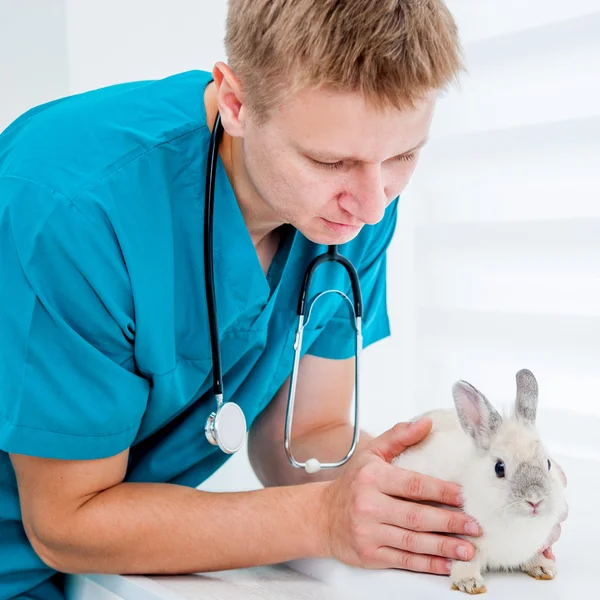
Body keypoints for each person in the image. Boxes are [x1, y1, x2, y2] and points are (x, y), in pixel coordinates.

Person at [0, 1, 564, 598]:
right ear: (236, 103)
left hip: (97, 573)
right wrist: (323, 519)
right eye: (330, 160)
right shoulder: (74, 211)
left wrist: (447, 497)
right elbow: (67, 523)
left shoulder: (350, 205)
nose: (373, 206)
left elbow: (305, 436)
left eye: (403, 156)